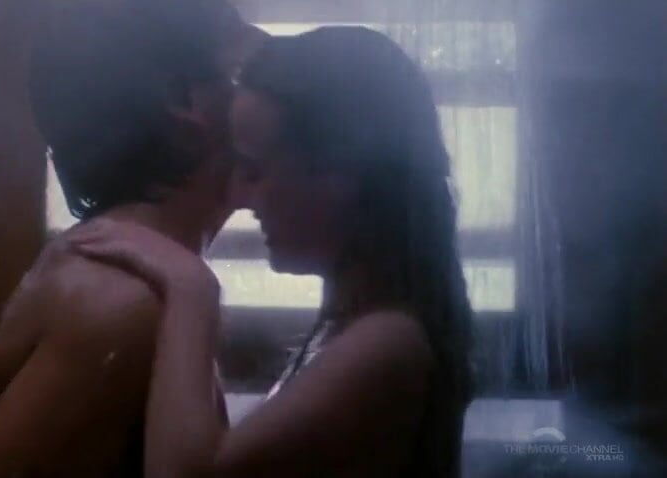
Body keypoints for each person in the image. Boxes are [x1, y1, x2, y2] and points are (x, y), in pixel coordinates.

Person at [70, 27, 475, 477]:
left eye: (255, 170)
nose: (239, 196)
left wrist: (191, 290)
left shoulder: (388, 343)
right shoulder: (363, 326)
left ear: (341, 174)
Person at [0, 1, 266, 476]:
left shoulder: (147, 279)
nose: (273, 87)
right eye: (245, 65)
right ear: (185, 100)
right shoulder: (120, 302)